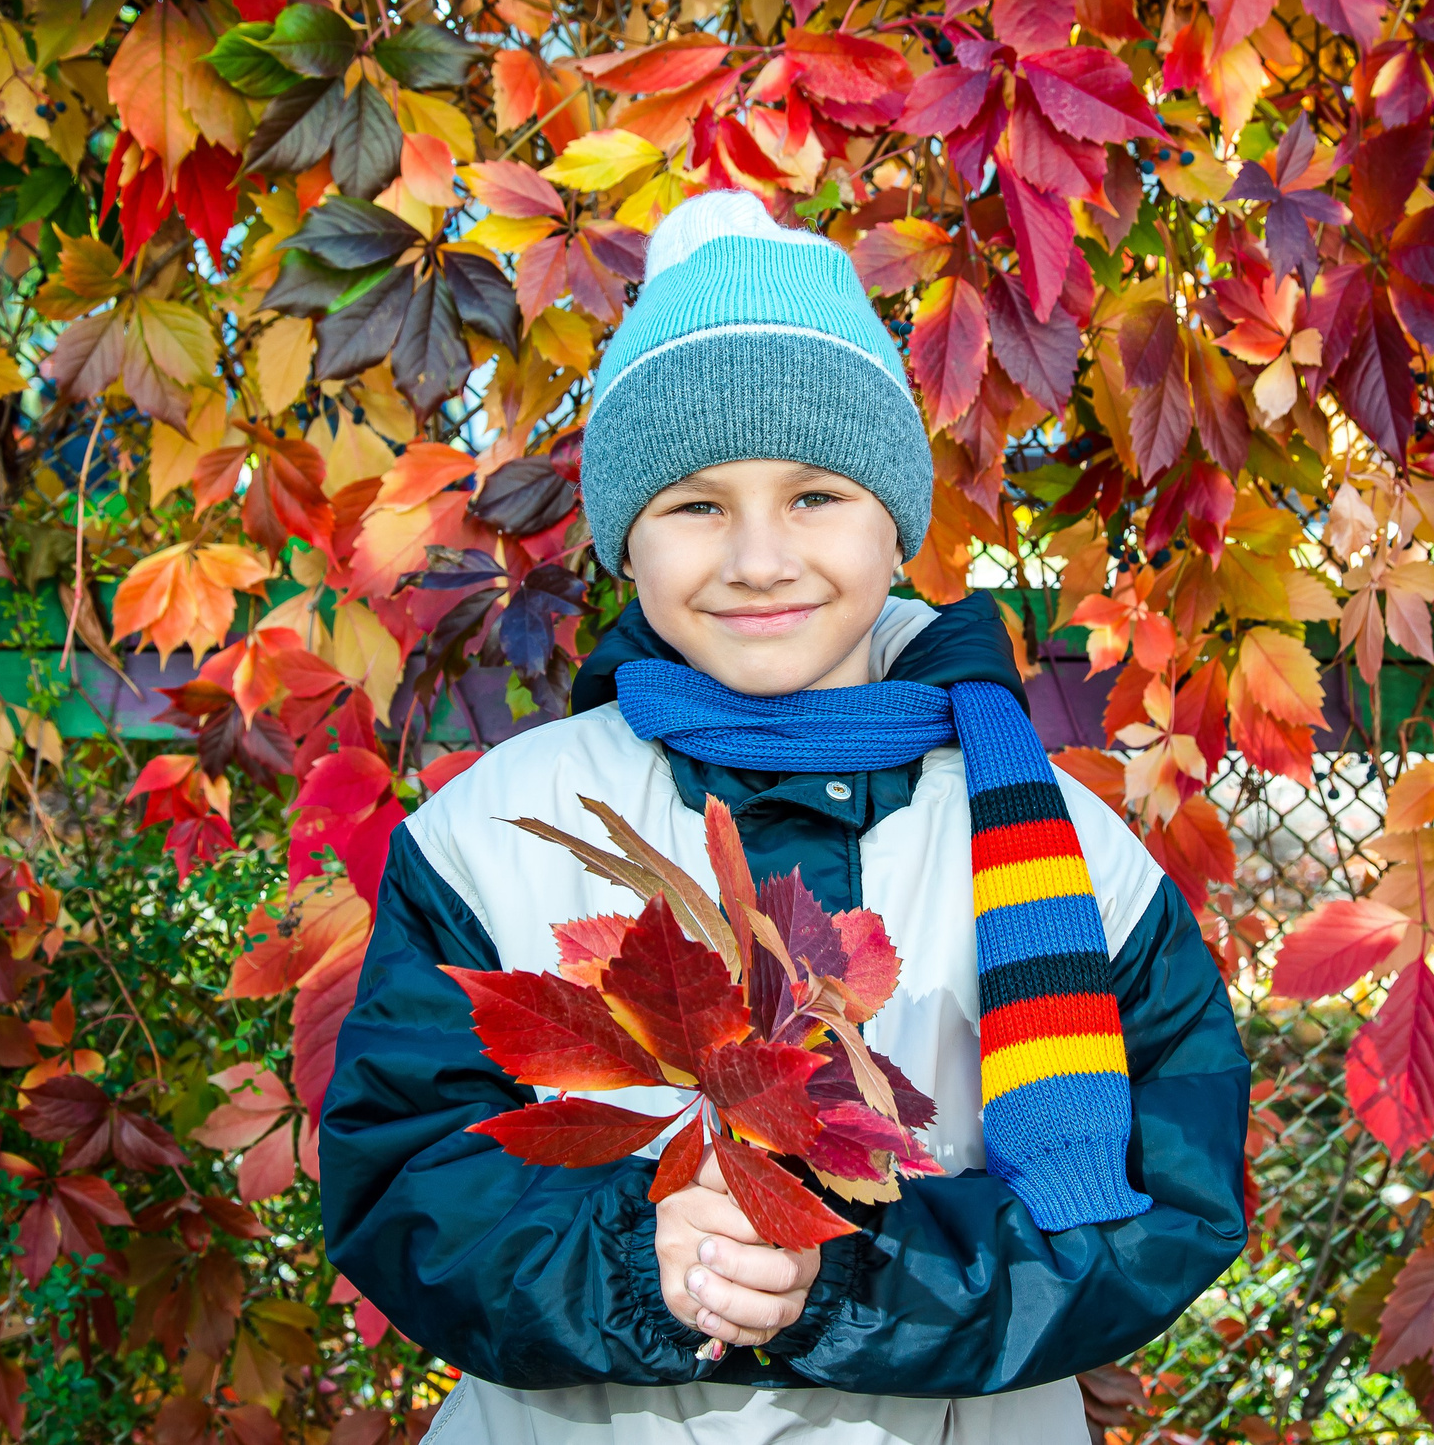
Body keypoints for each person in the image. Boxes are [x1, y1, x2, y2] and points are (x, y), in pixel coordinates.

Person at [319, 191, 1251, 1444]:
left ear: (896, 519)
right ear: (625, 539)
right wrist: (639, 1261)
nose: (759, 558)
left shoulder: (1064, 852)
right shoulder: (496, 834)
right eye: (695, 503)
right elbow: (402, 1176)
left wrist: (845, 1279)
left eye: (816, 495)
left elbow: (1163, 1197)